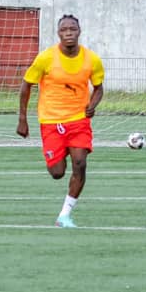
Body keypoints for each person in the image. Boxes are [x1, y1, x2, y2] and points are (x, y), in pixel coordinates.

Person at [16, 14, 105, 229]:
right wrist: (22, 119)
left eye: (72, 29)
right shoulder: (45, 58)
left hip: (78, 121)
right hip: (51, 121)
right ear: (58, 33)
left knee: (80, 164)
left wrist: (92, 104)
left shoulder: (92, 59)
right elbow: (26, 86)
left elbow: (99, 88)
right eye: (64, 30)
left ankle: (65, 215)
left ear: (79, 31)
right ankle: (63, 150)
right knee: (57, 173)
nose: (68, 33)